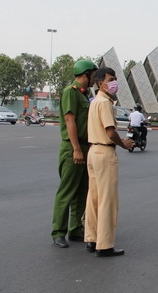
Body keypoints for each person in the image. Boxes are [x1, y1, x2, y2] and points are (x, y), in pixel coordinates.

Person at [85, 67, 134, 257]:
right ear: (100, 83)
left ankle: (91, 238)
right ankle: (104, 244)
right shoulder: (105, 103)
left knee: (94, 198)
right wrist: (124, 144)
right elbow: (110, 131)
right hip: (105, 153)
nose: (115, 83)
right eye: (111, 79)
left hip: (93, 151)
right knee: (107, 200)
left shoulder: (94, 102)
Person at [51, 59, 97, 248]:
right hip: (73, 147)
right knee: (67, 190)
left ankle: (75, 229)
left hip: (85, 146)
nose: (96, 77)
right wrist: (77, 149)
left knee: (82, 190)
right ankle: (58, 232)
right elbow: (70, 121)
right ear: (86, 74)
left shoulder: (85, 94)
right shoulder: (71, 91)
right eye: (94, 74)